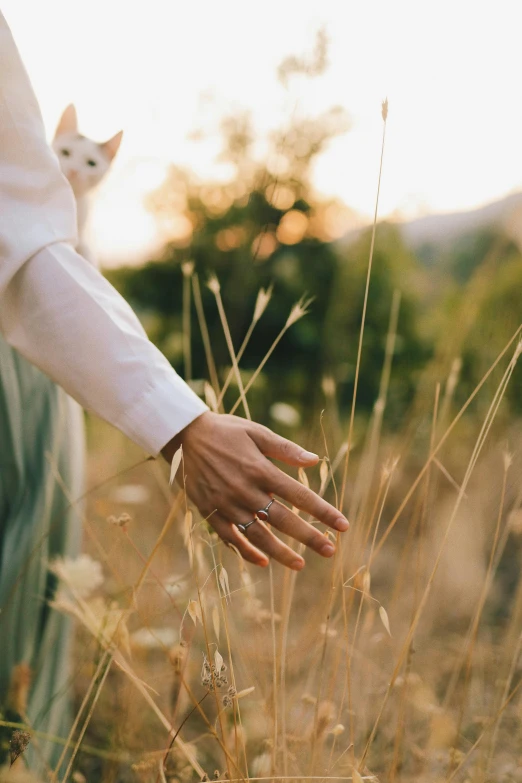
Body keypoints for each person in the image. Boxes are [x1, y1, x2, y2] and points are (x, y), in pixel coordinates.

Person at [0, 9, 349, 771]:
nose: (74, 167)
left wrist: (181, 422)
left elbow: (20, 242)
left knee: (18, 621)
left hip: (26, 366)